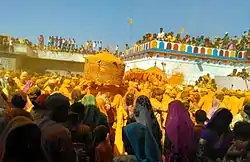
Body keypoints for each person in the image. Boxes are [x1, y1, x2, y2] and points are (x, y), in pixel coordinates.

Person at [37, 93, 76, 162]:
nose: (68, 112)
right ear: (58, 110)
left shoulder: (37, 124)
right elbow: (68, 158)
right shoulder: (62, 132)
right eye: (67, 109)